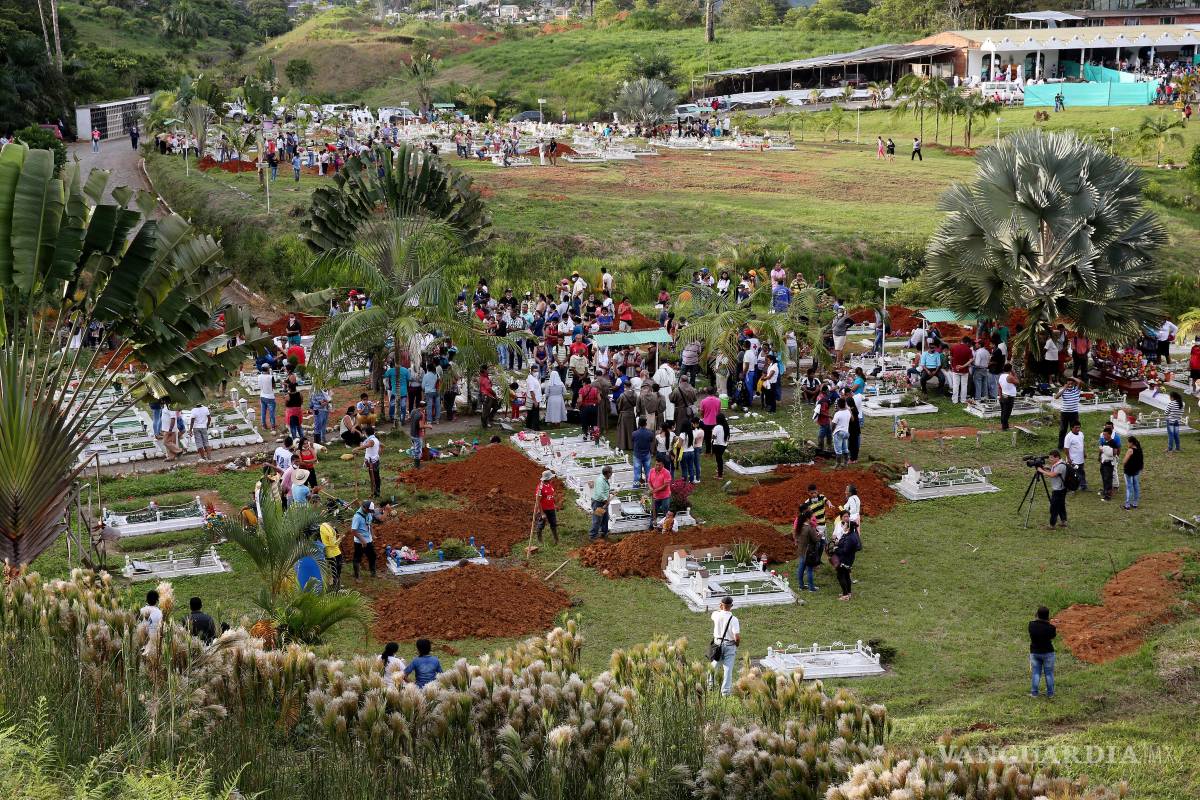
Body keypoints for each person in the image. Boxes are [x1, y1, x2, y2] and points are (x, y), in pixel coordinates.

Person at [710, 595, 740, 696]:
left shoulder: (716, 615)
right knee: (728, 669)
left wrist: (720, 608)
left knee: (714, 665)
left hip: (717, 643)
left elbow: (715, 613)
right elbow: (737, 637)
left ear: (721, 605)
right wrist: (736, 645)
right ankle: (725, 692)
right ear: (731, 605)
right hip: (729, 645)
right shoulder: (734, 619)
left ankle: (710, 686)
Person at [1029, 606, 1057, 699]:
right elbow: (1052, 636)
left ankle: (1034, 693)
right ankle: (1050, 694)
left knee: (1036, 673)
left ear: (1037, 614)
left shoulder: (1031, 625)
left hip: (1035, 652)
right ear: (1048, 616)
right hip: (1048, 652)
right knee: (1049, 673)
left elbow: (1035, 624)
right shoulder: (1051, 628)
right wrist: (1048, 622)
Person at [1037, 450, 1069, 529]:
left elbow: (1052, 474)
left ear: (1057, 457)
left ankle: (1052, 525)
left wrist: (1041, 471)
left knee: (1054, 508)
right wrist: (1047, 468)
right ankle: (1063, 521)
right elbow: (1053, 471)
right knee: (1061, 505)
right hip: (1061, 489)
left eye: (1051, 458)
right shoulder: (1058, 464)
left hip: (1059, 490)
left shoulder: (1061, 465)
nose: (1050, 460)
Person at [793, 507, 822, 592]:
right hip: (808, 552)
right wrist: (820, 535)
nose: (813, 518)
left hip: (801, 551)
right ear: (808, 518)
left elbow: (796, 537)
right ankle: (811, 588)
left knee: (801, 568)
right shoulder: (809, 528)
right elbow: (816, 540)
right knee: (809, 569)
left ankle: (801, 586)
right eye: (812, 517)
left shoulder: (799, 526)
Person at [351, 500, 381, 579]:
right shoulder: (357, 517)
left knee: (372, 556)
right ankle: (357, 577)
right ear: (364, 507)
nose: (370, 512)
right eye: (368, 510)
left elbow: (370, 524)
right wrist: (362, 540)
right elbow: (353, 531)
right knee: (357, 558)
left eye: (371, 511)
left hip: (368, 540)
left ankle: (373, 573)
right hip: (359, 542)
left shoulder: (369, 513)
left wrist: (373, 535)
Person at [833, 521, 860, 600]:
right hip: (849, 559)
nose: (843, 526)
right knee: (846, 575)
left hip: (844, 560)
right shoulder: (851, 534)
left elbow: (845, 550)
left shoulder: (850, 538)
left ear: (848, 528)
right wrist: (839, 543)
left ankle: (845, 595)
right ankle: (848, 592)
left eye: (844, 525)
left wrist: (836, 549)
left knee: (840, 576)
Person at [1054, 377, 1082, 450]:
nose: (1070, 385)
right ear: (1066, 384)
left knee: (1074, 429)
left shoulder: (1076, 389)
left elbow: (1080, 382)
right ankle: (1060, 446)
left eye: (1071, 384)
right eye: (1068, 383)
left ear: (1074, 384)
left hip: (1074, 413)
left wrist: (1073, 378)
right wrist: (1064, 388)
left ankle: (1073, 445)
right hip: (1064, 413)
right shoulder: (1062, 390)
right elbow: (1056, 397)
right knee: (1063, 430)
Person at [535, 470, 560, 544]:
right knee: (541, 524)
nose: (552, 479)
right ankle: (540, 541)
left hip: (551, 508)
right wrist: (542, 513)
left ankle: (556, 540)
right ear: (547, 479)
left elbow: (551, 496)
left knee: (553, 523)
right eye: (551, 478)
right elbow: (538, 501)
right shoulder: (540, 487)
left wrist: (555, 504)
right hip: (544, 509)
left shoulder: (550, 485)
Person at [589, 465, 613, 540]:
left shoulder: (604, 479)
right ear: (608, 473)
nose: (611, 474)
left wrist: (610, 491)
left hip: (603, 502)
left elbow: (604, 490)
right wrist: (606, 501)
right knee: (597, 520)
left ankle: (604, 533)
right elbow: (600, 493)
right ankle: (593, 536)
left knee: (605, 518)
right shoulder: (601, 481)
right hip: (599, 503)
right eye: (611, 472)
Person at [1063, 421, 1088, 493]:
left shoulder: (1081, 434)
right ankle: (1070, 487)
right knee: (1072, 474)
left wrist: (1084, 452)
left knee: (1081, 472)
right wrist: (1069, 458)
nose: (1078, 429)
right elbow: (1066, 448)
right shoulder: (1068, 436)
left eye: (1079, 427)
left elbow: (1082, 444)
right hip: (1073, 460)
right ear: (1071, 428)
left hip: (1080, 458)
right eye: (1076, 428)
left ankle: (1083, 485)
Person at [648, 457, 672, 528]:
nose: (657, 466)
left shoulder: (666, 473)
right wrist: (651, 488)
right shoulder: (651, 471)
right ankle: (651, 527)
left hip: (665, 496)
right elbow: (649, 481)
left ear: (663, 465)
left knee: (665, 512)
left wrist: (655, 490)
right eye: (656, 464)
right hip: (655, 496)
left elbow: (665, 485)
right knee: (653, 512)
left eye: (659, 465)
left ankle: (666, 527)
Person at [358, 426, 382, 497]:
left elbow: (367, 445)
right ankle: (375, 492)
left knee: (374, 477)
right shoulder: (374, 439)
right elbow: (382, 446)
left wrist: (357, 449)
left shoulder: (371, 440)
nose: (363, 434)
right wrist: (377, 454)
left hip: (373, 462)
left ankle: (376, 493)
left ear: (366, 433)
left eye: (364, 432)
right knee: (375, 477)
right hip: (374, 460)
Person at [318, 519, 343, 590]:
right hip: (333, 552)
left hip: (331, 551)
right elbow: (333, 544)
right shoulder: (329, 529)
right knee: (336, 570)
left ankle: (335, 584)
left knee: (334, 569)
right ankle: (336, 586)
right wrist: (340, 538)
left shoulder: (323, 526)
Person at [948, 336, 973, 404]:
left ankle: (954, 400)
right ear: (967, 342)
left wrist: (952, 366)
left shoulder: (954, 347)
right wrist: (963, 366)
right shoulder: (969, 350)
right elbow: (971, 360)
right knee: (964, 385)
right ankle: (963, 400)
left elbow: (950, 357)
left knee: (955, 385)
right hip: (964, 370)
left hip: (955, 369)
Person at [1122, 435, 1144, 510]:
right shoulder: (1139, 449)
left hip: (1129, 470)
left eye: (1128, 443)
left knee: (1129, 487)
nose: (1127, 444)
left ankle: (1127, 504)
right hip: (1136, 470)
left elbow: (1124, 461)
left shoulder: (1130, 450)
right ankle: (1135, 503)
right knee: (1136, 486)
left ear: (1131, 443)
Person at [631, 417, 654, 487]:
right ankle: (649, 487)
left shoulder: (634, 433)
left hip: (637, 455)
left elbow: (633, 440)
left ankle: (635, 488)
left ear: (638, 424)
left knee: (637, 474)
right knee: (648, 473)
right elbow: (651, 441)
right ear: (646, 424)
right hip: (646, 454)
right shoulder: (650, 433)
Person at [831, 398, 851, 468]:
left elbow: (833, 424)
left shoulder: (838, 414)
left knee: (838, 450)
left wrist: (832, 431)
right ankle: (845, 463)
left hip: (838, 432)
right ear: (845, 404)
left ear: (838, 405)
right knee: (845, 449)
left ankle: (837, 464)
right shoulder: (848, 412)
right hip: (846, 433)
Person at [997, 364, 1018, 431]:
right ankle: (1005, 427)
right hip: (1009, 397)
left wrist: (1000, 396)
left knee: (1003, 411)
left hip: (1003, 395)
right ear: (1010, 369)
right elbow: (1018, 382)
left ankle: (1004, 425)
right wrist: (1014, 373)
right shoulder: (1009, 377)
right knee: (1007, 412)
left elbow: (999, 387)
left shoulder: (1001, 376)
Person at [1098, 435, 1116, 503]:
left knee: (1108, 479)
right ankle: (1105, 491)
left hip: (1109, 463)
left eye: (1105, 435)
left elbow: (1113, 453)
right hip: (1103, 462)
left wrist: (1103, 449)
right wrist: (1100, 456)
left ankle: (1108, 496)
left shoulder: (1113, 443)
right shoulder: (1104, 441)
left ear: (1109, 435)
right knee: (1104, 478)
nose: (1104, 436)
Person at [710, 413, 729, 479]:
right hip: (724, 445)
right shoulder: (726, 426)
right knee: (720, 459)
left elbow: (713, 437)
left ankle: (720, 475)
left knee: (719, 460)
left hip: (717, 445)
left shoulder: (717, 427)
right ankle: (720, 470)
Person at [409, 401, 427, 469]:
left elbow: (410, 418)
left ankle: (415, 463)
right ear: (424, 407)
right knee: (418, 451)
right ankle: (417, 466)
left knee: (414, 448)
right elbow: (421, 426)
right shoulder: (421, 414)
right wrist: (428, 426)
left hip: (412, 433)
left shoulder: (413, 411)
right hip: (417, 435)